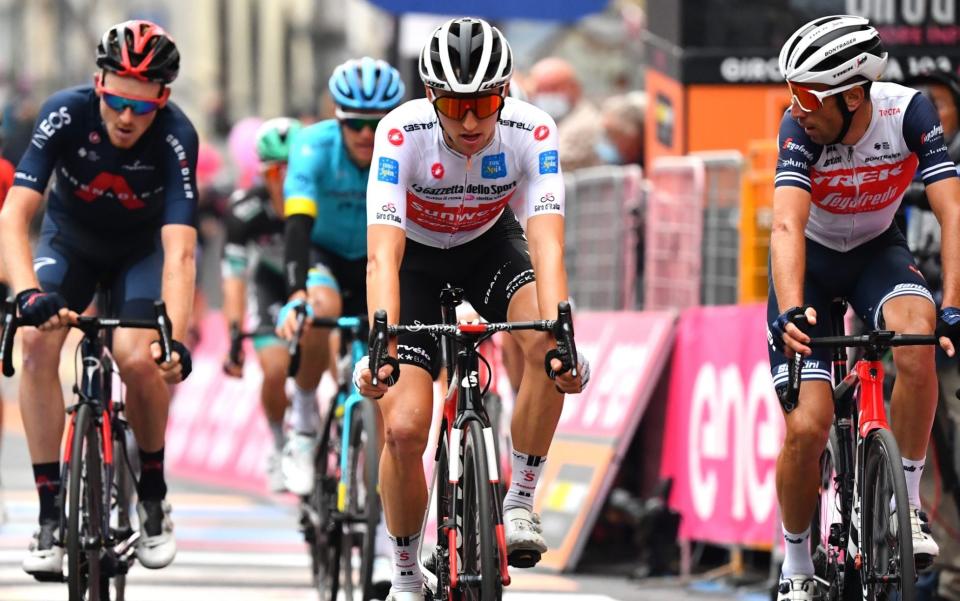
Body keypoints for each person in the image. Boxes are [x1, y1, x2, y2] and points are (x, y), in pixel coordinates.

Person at [354, 17, 591, 601]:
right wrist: (381, 345)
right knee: (405, 431)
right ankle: (407, 569)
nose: (468, 121)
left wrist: (562, 331)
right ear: (431, 95)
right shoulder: (400, 132)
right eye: (455, 105)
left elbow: (547, 242)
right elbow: (382, 256)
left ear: (505, 92)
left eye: (483, 102)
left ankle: (519, 498)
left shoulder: (531, 130)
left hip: (489, 246)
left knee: (545, 345)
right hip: (413, 260)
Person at [767, 15, 960, 600]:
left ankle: (904, 506)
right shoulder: (798, 130)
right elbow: (785, 225)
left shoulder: (911, 113)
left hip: (878, 252)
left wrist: (953, 302)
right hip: (813, 262)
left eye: (806, 94)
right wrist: (794, 308)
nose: (795, 107)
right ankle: (797, 564)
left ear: (853, 95)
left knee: (918, 337)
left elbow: (952, 213)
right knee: (808, 425)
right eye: (790, 93)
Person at [0, 20, 197, 576]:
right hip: (72, 242)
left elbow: (180, 252)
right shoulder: (64, 112)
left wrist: (173, 342)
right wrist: (26, 295)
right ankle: (47, 514)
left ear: (164, 98)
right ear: (97, 84)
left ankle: (153, 497)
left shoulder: (177, 135)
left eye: (143, 106)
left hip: (143, 253)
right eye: (115, 102)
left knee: (140, 360)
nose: (127, 117)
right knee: (38, 344)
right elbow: (13, 217)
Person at [275, 56, 405, 496]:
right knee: (319, 309)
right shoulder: (313, 146)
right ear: (338, 119)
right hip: (324, 252)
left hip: (379, 258)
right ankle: (306, 421)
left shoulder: (406, 147)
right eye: (355, 124)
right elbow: (296, 224)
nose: (367, 134)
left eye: (377, 123)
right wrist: (295, 293)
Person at [221, 117, 303, 493]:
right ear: (264, 173)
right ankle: (279, 443)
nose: (284, 180)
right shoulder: (245, 210)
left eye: (293, 169)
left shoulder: (323, 199)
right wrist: (235, 334)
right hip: (271, 288)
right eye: (276, 172)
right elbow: (234, 277)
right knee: (274, 370)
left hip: (315, 283)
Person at [527, 56, 602, 171]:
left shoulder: (584, 122)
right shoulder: (551, 119)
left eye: (553, 88)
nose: (546, 95)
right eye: (539, 90)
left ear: (575, 88)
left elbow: (548, 163)